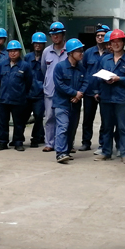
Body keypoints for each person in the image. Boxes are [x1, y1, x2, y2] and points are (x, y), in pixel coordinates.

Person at [94, 29, 125, 162]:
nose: (116, 44)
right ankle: (106, 152)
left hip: (122, 99)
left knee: (122, 127)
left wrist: (119, 79)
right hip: (106, 98)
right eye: (114, 42)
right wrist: (97, 91)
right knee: (107, 126)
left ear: (123, 43)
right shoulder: (105, 59)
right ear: (110, 44)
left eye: (119, 41)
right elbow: (98, 76)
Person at [52, 38, 87, 162]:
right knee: (63, 127)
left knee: (72, 128)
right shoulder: (60, 67)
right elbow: (59, 85)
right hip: (61, 103)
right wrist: (74, 93)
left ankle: (66, 151)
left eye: (82, 50)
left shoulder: (81, 68)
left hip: (75, 104)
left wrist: (79, 95)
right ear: (71, 53)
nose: (82, 53)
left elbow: (86, 82)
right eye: (79, 51)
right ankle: (60, 153)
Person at [0, 40, 33, 151]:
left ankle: (18, 142)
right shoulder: (2, 64)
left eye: (15, 51)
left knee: (19, 123)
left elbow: (28, 82)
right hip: (3, 98)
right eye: (10, 51)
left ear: (19, 52)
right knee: (2, 122)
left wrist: (22, 94)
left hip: (18, 99)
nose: (13, 53)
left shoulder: (25, 66)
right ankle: (2, 142)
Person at [79, 25, 110, 151]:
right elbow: (83, 70)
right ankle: (86, 142)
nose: (100, 38)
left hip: (104, 91)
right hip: (89, 91)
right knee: (87, 119)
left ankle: (102, 144)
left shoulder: (110, 53)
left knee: (105, 119)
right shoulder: (88, 52)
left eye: (102, 35)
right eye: (98, 35)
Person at [42, 22, 70, 152]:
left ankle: (66, 144)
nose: (55, 37)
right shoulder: (47, 51)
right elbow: (44, 69)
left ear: (63, 35)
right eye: (53, 35)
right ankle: (49, 143)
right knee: (49, 118)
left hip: (65, 92)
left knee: (65, 119)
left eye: (58, 34)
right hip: (50, 91)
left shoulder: (69, 50)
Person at [25, 33, 47, 148]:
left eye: (40, 43)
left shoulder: (46, 57)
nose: (38, 45)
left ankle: (36, 138)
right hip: (28, 92)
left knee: (38, 116)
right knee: (23, 116)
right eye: (36, 43)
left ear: (44, 45)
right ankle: (18, 137)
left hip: (41, 93)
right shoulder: (27, 57)